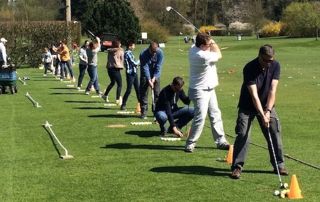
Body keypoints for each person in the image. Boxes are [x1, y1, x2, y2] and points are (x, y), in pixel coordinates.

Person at [230, 45, 288, 179]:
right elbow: (254, 95)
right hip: (247, 106)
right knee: (243, 134)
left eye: (271, 60)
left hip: (267, 105)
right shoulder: (249, 68)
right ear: (259, 56)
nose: (269, 63)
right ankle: (237, 167)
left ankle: (279, 164)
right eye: (266, 60)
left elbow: (273, 90)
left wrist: (267, 111)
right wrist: (262, 115)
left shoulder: (275, 65)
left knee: (274, 132)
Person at [184, 32, 230, 153]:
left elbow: (196, 41)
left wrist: (207, 39)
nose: (210, 46)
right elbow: (219, 54)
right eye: (208, 45)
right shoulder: (202, 56)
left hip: (209, 88)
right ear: (202, 46)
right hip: (200, 90)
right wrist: (213, 42)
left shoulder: (193, 48)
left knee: (215, 113)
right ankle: (190, 143)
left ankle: (221, 141)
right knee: (200, 117)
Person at [139, 41, 164, 119]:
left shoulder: (160, 53)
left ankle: (156, 112)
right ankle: (143, 112)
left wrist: (154, 78)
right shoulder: (143, 54)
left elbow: (158, 67)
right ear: (149, 48)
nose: (154, 54)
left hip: (155, 75)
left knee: (157, 93)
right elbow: (145, 67)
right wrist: (149, 79)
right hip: (145, 75)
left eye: (155, 52)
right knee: (144, 94)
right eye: (152, 52)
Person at [102, 40, 124, 104]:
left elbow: (110, 49)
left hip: (109, 69)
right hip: (116, 69)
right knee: (120, 84)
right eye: (120, 44)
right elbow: (122, 59)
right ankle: (117, 99)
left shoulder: (110, 50)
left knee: (112, 82)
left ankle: (105, 95)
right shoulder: (120, 51)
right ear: (118, 45)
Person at [120, 42, 140, 110]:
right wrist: (140, 61)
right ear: (129, 46)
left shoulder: (130, 53)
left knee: (138, 89)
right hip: (130, 73)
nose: (134, 47)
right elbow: (133, 63)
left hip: (134, 72)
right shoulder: (127, 53)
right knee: (129, 90)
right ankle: (123, 104)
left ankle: (141, 104)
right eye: (133, 45)